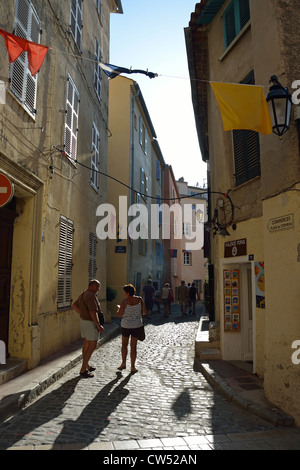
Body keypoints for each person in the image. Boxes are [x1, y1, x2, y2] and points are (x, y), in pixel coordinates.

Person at [72, 280, 104, 378]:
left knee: (86, 344)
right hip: (90, 323)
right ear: (93, 286)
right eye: (98, 287)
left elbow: (74, 305)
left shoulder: (83, 294)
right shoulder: (91, 296)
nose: (98, 289)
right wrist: (98, 325)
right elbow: (92, 312)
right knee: (92, 345)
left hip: (83, 322)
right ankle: (83, 370)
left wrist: (82, 314)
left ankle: (86, 366)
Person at [117, 284, 146, 373]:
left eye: (125, 292)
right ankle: (133, 367)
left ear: (128, 293)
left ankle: (123, 363)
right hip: (137, 325)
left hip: (126, 326)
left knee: (124, 345)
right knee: (133, 347)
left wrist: (118, 309)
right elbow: (144, 312)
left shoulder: (124, 301)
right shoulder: (140, 300)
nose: (124, 294)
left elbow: (119, 314)